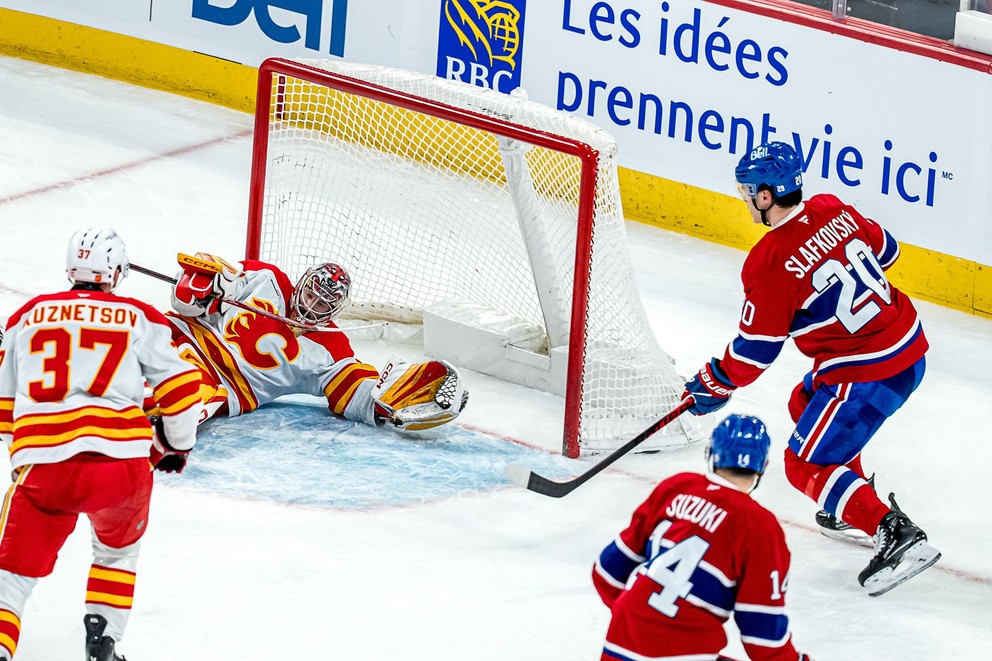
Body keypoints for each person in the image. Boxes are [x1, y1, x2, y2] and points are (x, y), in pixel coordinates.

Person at [681, 141, 940, 595]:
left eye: (747, 191)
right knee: (804, 400)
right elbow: (889, 251)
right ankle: (850, 501)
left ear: (765, 196)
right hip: (907, 345)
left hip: (865, 373)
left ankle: (894, 532)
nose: (745, 198)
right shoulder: (831, 207)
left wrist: (713, 381)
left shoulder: (769, 262)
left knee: (801, 464)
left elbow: (754, 353)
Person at [0, 228, 202, 661]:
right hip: (122, 464)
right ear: (116, 271)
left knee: (12, 570)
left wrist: (23, 454)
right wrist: (174, 444)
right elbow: (185, 388)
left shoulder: (27, 315)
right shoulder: (141, 316)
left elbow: (3, 407)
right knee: (117, 552)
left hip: (44, 465)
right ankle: (103, 643)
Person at [158, 252, 468, 438]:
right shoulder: (266, 278)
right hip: (186, 335)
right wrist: (197, 289)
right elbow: (196, 294)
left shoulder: (332, 348)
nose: (311, 306)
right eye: (310, 296)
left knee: (178, 396)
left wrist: (385, 404)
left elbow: (355, 391)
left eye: (322, 305)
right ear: (301, 284)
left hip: (219, 384)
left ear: (335, 311)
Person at [593, 414, 813, 661]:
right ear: (763, 465)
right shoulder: (760, 527)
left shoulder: (676, 487)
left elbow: (607, 571)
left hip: (619, 645)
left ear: (711, 455)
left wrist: (644, 623)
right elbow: (762, 638)